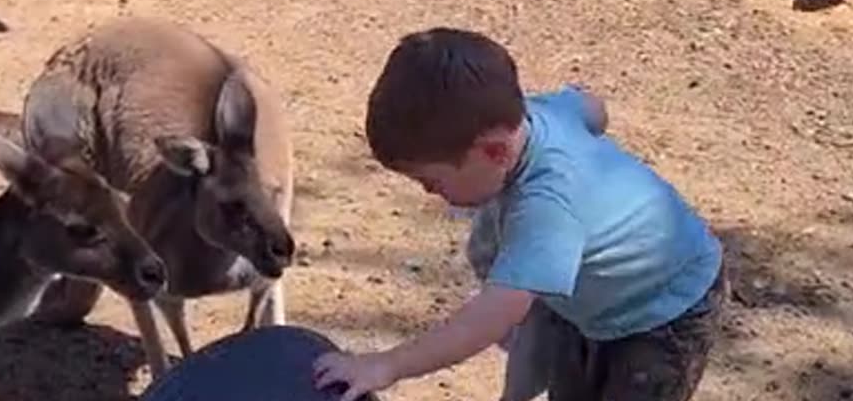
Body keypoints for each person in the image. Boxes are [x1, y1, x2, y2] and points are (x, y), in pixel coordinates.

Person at [311, 27, 728, 401]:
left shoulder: (547, 208)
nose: (431, 193)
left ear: (495, 151)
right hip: (595, 305)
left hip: (666, 312)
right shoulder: (533, 114)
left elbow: (489, 319)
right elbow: (590, 107)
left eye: (433, 181)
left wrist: (387, 365)